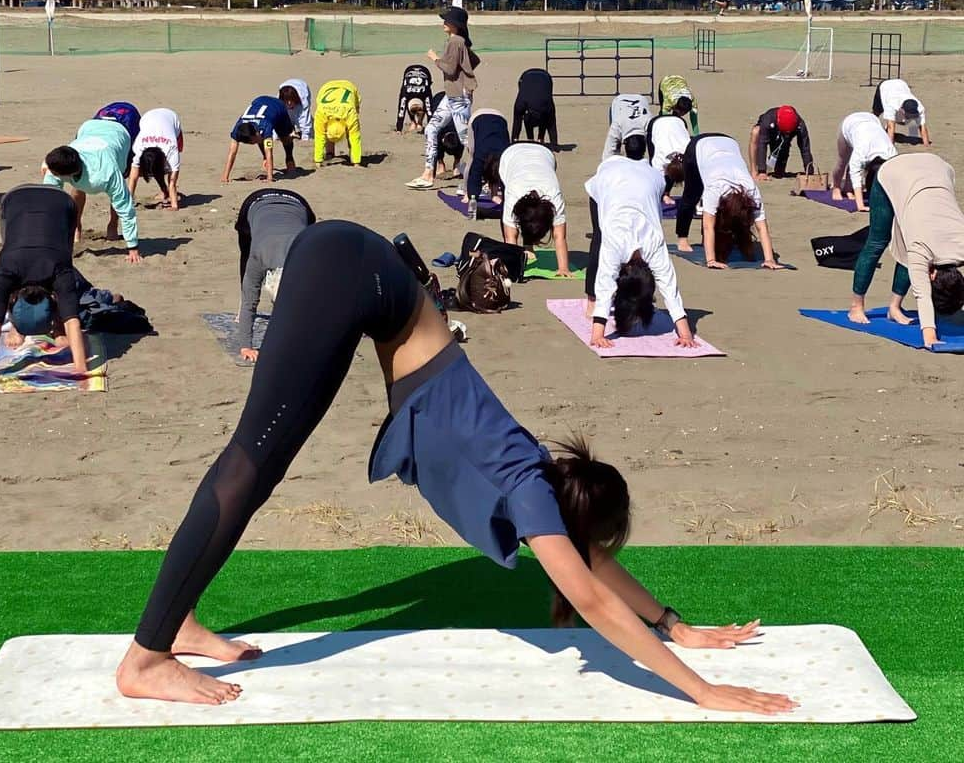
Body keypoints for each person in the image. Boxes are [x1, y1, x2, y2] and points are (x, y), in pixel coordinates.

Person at [115, 221, 795, 718]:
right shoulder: (530, 495)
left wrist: (674, 623)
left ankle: (177, 623)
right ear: (577, 524)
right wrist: (702, 692)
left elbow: (591, 567)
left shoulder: (539, 482)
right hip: (354, 275)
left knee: (259, 466)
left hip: (361, 272)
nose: (586, 555)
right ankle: (146, 657)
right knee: (250, 465)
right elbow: (591, 597)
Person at [849, 153, 964, 347]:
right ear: (932, 275)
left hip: (939, 168)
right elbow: (922, 295)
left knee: (910, 242)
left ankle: (894, 308)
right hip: (893, 172)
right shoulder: (921, 249)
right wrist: (930, 337)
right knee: (878, 241)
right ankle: (856, 307)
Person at [584, 157, 695, 348]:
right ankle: (590, 301)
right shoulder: (616, 244)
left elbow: (669, 286)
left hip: (650, 178)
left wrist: (686, 334)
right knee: (599, 238)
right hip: (608, 174)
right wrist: (597, 333)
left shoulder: (654, 243)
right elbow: (605, 283)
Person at [0, 184, 87, 377]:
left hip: (48, 199)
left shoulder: (55, 270)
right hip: (18, 198)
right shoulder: (9, 270)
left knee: (60, 253)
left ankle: (56, 326)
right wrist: (80, 368)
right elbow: (74, 321)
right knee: (16, 244)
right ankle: (18, 328)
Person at [675, 134, 782, 270]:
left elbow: (762, 228)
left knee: (721, 220)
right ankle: (682, 239)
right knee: (692, 194)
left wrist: (770, 259)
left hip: (729, 142)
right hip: (699, 146)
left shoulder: (752, 191)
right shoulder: (715, 189)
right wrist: (711, 260)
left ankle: (713, 243)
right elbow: (708, 226)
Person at [43, 115, 141, 262]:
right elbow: (50, 201)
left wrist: (132, 247)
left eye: (54, 173)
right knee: (78, 186)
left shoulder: (107, 173)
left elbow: (125, 206)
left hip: (119, 133)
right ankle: (76, 227)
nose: (49, 172)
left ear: (66, 174)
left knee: (117, 194)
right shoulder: (61, 162)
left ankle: (112, 227)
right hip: (89, 128)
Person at [234, 189, 316, 362]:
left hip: (299, 203)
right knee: (245, 256)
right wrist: (245, 346)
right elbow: (251, 303)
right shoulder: (258, 257)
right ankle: (241, 298)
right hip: (255, 201)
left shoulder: (311, 258)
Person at [406, 6, 478, 189]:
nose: (444, 23)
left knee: (465, 139)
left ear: (456, 24)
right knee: (431, 128)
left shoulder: (456, 42)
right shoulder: (458, 41)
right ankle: (428, 173)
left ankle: (483, 174)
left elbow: (450, 69)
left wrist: (434, 58)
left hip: (459, 96)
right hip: (452, 95)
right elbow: (473, 60)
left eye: (447, 20)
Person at [497, 142, 571, 275]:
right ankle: (527, 247)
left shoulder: (554, 196)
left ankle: (528, 246)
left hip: (545, 154)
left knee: (533, 219)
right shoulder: (513, 196)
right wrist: (513, 269)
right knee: (514, 224)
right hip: (510, 156)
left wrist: (563, 268)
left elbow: (560, 236)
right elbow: (510, 237)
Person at [830, 112, 897, 212]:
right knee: (842, 161)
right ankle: (836, 187)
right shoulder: (862, 153)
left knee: (854, 163)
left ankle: (848, 188)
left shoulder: (891, 153)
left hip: (872, 120)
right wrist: (860, 205)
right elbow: (855, 174)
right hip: (850, 123)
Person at [222, 96, 297, 184]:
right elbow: (232, 152)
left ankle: (290, 160)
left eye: (256, 138)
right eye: (253, 141)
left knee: (285, 138)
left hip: (278, 107)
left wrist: (270, 177)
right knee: (261, 140)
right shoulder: (237, 130)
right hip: (259, 102)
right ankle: (265, 161)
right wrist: (225, 176)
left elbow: (269, 151)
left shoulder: (265, 126)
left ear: (256, 131)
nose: (257, 141)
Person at [128, 107, 183, 210]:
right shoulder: (138, 147)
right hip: (147, 117)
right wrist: (128, 201)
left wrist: (174, 205)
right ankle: (164, 191)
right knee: (151, 167)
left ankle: (165, 192)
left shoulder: (172, 148)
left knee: (167, 169)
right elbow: (133, 177)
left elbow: (172, 181)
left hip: (171, 118)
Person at [747, 105, 814, 181]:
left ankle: (779, 168)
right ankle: (754, 171)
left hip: (785, 137)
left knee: (779, 173)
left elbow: (805, 148)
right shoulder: (768, 119)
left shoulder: (800, 124)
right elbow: (762, 144)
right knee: (755, 132)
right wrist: (762, 171)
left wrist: (810, 172)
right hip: (770, 130)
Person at [462, 108, 510, 203]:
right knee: (472, 157)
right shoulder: (480, 155)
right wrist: (472, 195)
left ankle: (494, 194)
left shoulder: (506, 155)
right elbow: (475, 174)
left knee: (497, 171)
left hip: (500, 118)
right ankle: (466, 191)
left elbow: (508, 178)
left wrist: (507, 198)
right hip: (477, 118)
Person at [313, 79, 363, 166]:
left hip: (349, 87)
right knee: (322, 131)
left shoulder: (351, 113)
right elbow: (319, 136)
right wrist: (318, 161)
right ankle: (330, 154)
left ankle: (353, 156)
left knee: (352, 133)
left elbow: (355, 137)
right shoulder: (320, 113)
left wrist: (356, 162)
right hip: (325, 88)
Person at [646, 114, 691, 204]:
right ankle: (664, 195)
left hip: (679, 121)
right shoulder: (660, 159)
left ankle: (666, 194)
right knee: (653, 163)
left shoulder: (691, 154)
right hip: (656, 123)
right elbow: (657, 179)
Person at [872, 78, 931, 145]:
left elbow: (923, 127)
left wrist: (926, 144)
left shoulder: (920, 108)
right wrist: (890, 145)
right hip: (885, 86)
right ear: (902, 109)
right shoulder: (891, 104)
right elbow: (891, 126)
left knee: (901, 121)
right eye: (909, 115)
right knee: (876, 112)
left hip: (901, 83)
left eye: (913, 115)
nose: (911, 118)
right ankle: (871, 128)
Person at [512, 68, 558, 146]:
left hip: (545, 78)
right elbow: (552, 124)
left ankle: (538, 139)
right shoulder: (521, 104)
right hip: (527, 77)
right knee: (543, 115)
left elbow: (517, 121)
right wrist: (554, 143)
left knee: (544, 115)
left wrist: (514, 141)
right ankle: (533, 139)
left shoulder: (547, 105)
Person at [603, 94, 651, 158]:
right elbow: (608, 154)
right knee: (615, 145)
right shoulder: (617, 124)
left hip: (641, 100)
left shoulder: (649, 124)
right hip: (619, 102)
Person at [395, 64, 434, 133]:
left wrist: (399, 129)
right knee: (426, 104)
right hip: (410, 71)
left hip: (425, 72)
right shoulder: (406, 91)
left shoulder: (425, 92)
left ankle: (419, 122)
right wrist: (399, 129)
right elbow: (429, 111)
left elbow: (401, 110)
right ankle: (413, 122)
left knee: (425, 104)